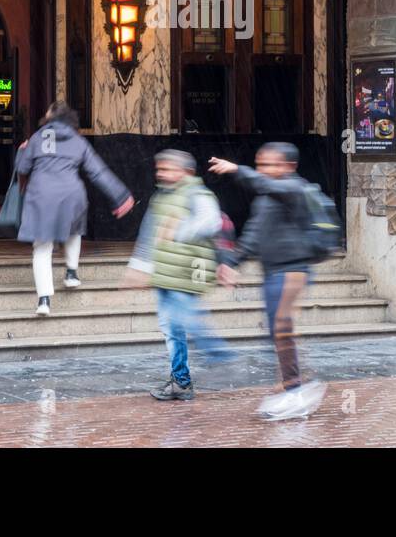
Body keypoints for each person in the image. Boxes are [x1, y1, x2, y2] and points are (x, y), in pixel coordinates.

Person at [209, 143, 327, 421]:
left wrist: (238, 169)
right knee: (277, 330)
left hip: (292, 269)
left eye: (271, 165)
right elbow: (254, 233)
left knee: (282, 328)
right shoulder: (266, 196)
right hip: (273, 271)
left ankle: (295, 390)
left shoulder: (293, 188)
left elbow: (266, 185)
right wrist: (231, 262)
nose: (264, 171)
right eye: (261, 164)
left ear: (289, 167)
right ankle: (293, 386)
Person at [123, 149, 234, 402]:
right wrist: (139, 266)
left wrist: (179, 231)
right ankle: (181, 380)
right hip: (165, 273)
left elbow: (212, 221)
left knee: (182, 316)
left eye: (168, 169)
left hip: (188, 270)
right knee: (171, 327)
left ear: (187, 172)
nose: (162, 174)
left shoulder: (198, 194)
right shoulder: (160, 198)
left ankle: (214, 350)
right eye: (160, 169)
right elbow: (149, 234)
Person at [14, 102, 134, 316]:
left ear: (49, 119)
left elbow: (23, 168)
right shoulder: (78, 141)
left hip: (42, 195)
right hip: (72, 194)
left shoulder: (37, 137)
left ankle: (44, 300)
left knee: (42, 247)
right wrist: (121, 196)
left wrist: (22, 151)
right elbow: (98, 171)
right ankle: (71, 273)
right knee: (73, 230)